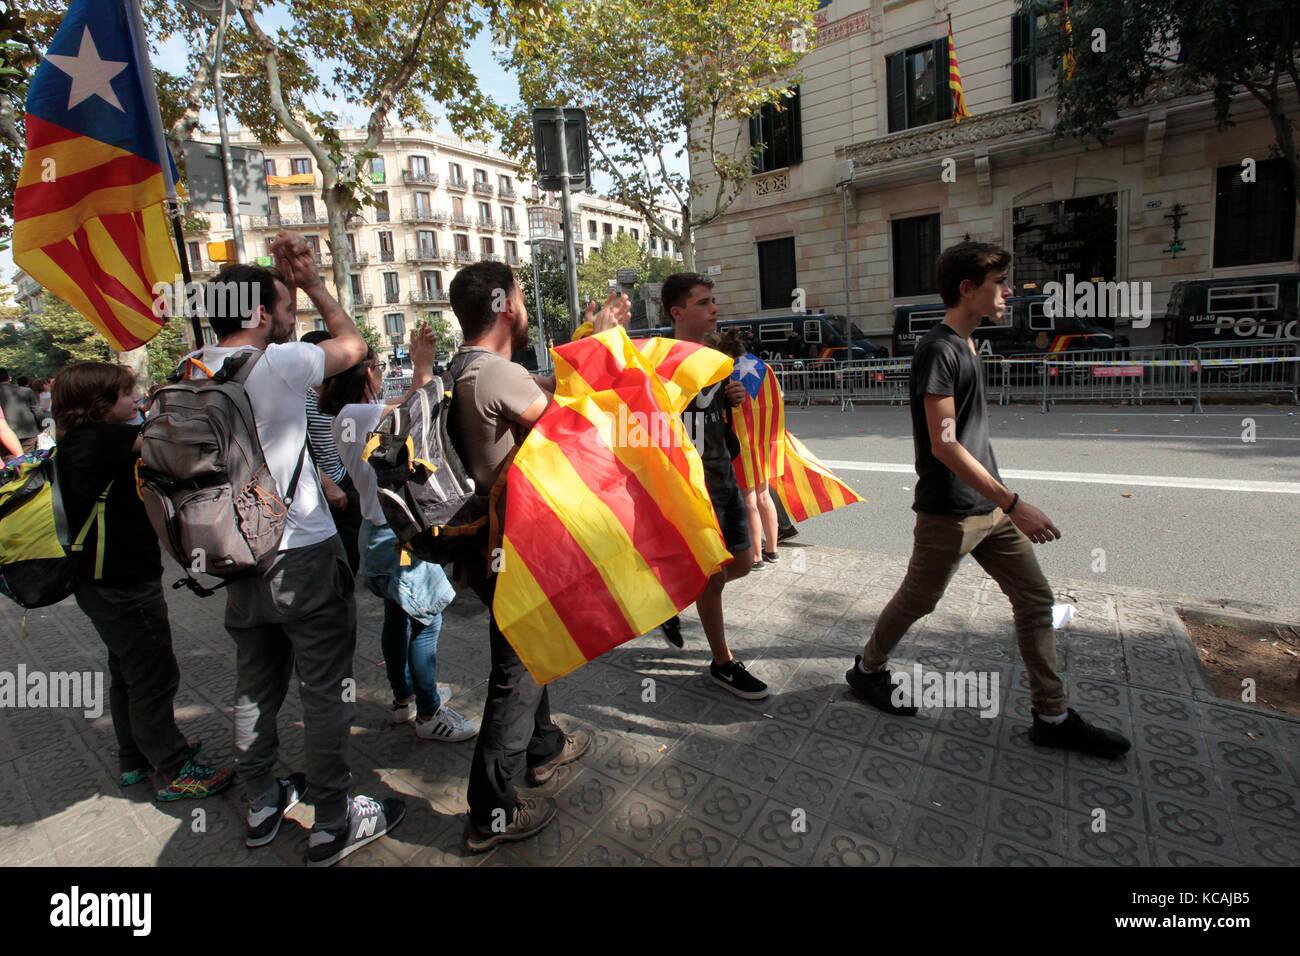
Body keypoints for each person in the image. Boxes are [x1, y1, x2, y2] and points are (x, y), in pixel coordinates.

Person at [844, 241, 1130, 758]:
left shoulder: (970, 345)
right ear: (967, 289)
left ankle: (1052, 715)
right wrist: (1014, 501)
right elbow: (945, 443)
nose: (1008, 293)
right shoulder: (940, 349)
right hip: (950, 510)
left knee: (1035, 598)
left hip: (990, 509)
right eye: (999, 283)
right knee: (919, 600)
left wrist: (1002, 503)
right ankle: (867, 670)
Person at [188, 230, 404, 865]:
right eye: (284, 309)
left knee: (255, 685)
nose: (291, 319)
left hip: (235, 555)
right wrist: (313, 282)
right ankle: (334, 821)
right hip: (301, 553)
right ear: (259, 315)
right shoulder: (278, 364)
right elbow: (354, 346)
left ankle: (261, 804)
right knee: (325, 688)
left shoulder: (190, 370)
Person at [449, 261, 627, 851]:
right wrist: (600, 346)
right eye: (521, 299)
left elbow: (549, 391)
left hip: (485, 544)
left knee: (530, 645)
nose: (525, 310)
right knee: (515, 676)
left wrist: (588, 341)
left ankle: (544, 746)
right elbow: (572, 430)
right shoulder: (496, 373)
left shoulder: (467, 368)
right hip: (510, 549)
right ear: (504, 305)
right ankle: (489, 815)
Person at [51, 362, 235, 800]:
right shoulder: (103, 439)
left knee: (126, 671)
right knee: (153, 673)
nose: (137, 399)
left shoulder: (78, 442)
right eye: (128, 394)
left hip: (99, 580)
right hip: (123, 581)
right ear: (99, 404)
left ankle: (134, 757)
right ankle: (175, 769)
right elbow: (173, 439)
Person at [322, 329, 479, 743]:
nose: (379, 372)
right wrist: (422, 364)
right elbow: (414, 409)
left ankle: (405, 698)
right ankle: (430, 713)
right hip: (397, 539)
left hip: (376, 532)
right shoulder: (357, 415)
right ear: (365, 375)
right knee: (425, 620)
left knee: (398, 619)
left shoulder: (345, 417)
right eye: (375, 366)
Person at [656, 273, 769, 700]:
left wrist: (731, 394)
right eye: (704, 303)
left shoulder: (715, 357)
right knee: (713, 577)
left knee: (742, 562)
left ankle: (670, 599)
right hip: (691, 488)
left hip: (724, 476)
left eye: (713, 301)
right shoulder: (662, 361)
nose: (715, 309)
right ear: (677, 312)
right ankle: (723, 662)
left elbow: (712, 413)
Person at [301, 329, 363, 576]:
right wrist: (327, 485)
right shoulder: (300, 397)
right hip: (322, 488)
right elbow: (299, 448)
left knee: (354, 545)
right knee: (339, 553)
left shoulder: (334, 391)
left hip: (343, 477)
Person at [0, 368, 42, 455]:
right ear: (8, 378)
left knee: (10, 463)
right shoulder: (26, 391)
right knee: (30, 461)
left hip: (5, 438)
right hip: (29, 432)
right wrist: (43, 428)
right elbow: (37, 411)